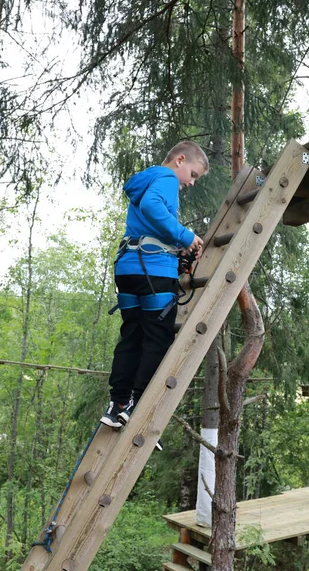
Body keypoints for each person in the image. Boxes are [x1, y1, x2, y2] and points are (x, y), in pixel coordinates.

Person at [100, 140, 208, 441]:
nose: (191, 182)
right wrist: (185, 235)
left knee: (131, 335)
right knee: (156, 339)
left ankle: (118, 403)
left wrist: (177, 244)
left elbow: (147, 213)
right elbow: (152, 207)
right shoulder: (166, 178)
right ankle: (135, 405)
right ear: (180, 160)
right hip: (153, 272)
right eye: (194, 174)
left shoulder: (145, 180)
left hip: (128, 269)